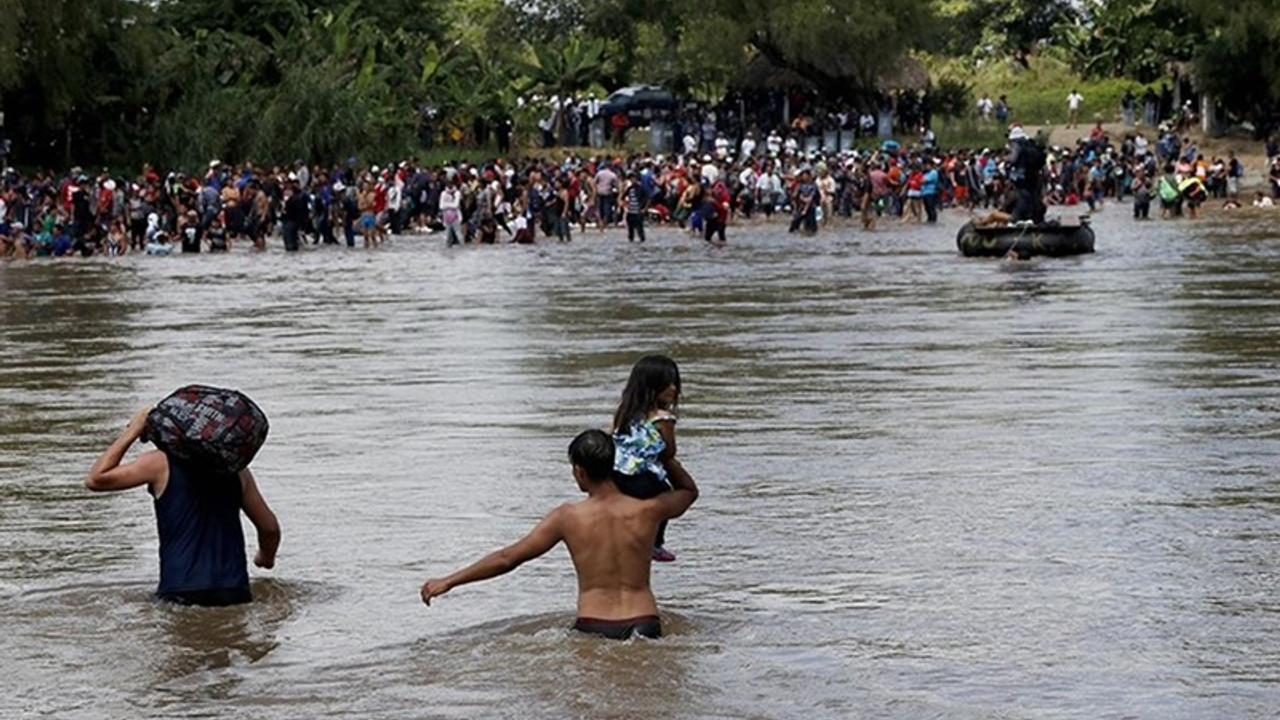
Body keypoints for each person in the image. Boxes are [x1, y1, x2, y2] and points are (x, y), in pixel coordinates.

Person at [420, 429, 697, 640]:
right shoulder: (648, 510)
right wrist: (666, 456)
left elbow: (508, 558)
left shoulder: (568, 517)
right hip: (645, 622)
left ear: (580, 470)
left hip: (594, 624)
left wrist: (449, 581)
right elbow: (688, 491)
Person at [84, 406, 280, 606]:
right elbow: (269, 528)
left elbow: (96, 479)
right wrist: (265, 558)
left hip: (180, 589)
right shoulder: (238, 471)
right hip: (234, 590)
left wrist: (132, 431)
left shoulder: (159, 462)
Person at [611, 355, 694, 563]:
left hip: (618, 471)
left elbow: (614, 437)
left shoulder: (625, 413)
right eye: (667, 384)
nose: (673, 388)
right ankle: (656, 543)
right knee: (664, 495)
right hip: (644, 474)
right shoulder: (663, 418)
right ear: (652, 387)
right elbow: (669, 452)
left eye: (675, 383)